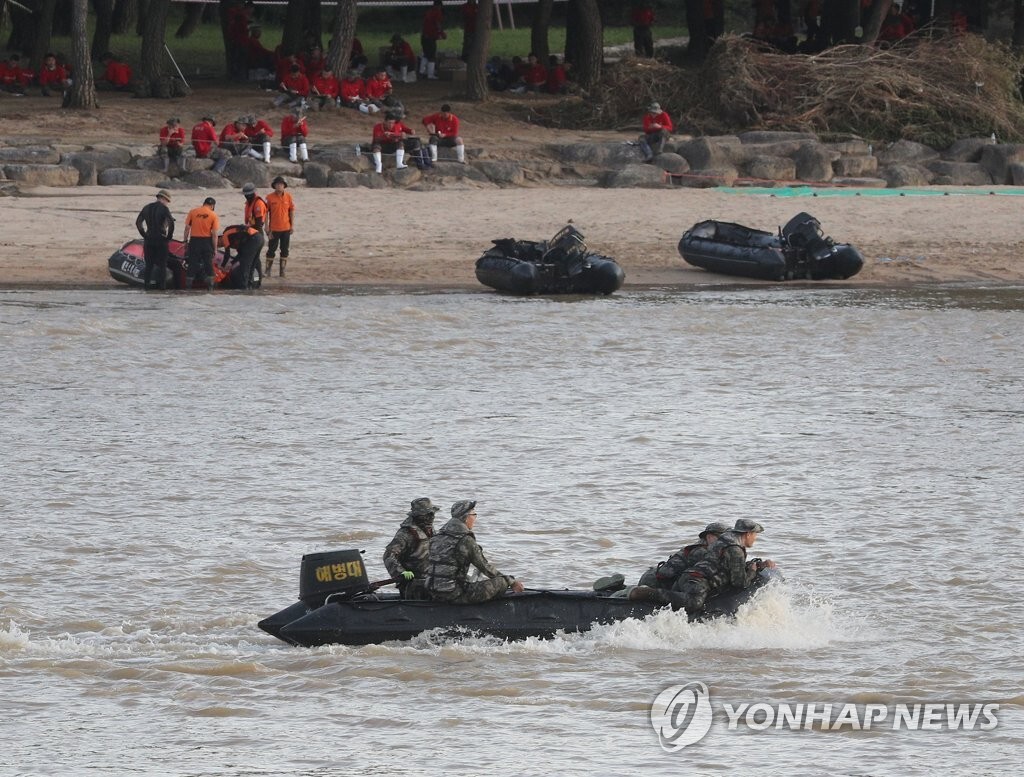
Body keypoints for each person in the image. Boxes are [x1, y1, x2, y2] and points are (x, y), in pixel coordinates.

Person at [671, 518, 778, 616]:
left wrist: (759, 565)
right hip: (696, 580)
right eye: (755, 534)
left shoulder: (725, 542)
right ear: (748, 534)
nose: (755, 538)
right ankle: (654, 593)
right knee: (694, 603)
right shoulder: (734, 550)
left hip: (695, 578)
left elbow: (733, 567)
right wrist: (752, 571)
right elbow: (740, 583)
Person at [425, 500, 525, 604]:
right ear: (466, 517)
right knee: (502, 582)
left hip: (432, 591)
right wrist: (511, 582)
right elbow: (485, 567)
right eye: (474, 514)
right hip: (452, 594)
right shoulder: (465, 539)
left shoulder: (436, 536)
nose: (475, 518)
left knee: (468, 579)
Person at [637, 522, 730, 590]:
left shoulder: (706, 549)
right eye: (722, 538)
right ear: (709, 537)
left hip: (662, 578)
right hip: (653, 581)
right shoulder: (700, 552)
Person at [383, 497, 441, 598]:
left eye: (432, 514)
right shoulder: (405, 534)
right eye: (428, 514)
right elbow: (388, 555)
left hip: (430, 581)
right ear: (417, 516)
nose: (431, 517)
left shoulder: (430, 529)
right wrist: (401, 572)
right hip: (413, 584)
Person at [135, 190, 175, 290]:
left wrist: (144, 235)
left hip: (149, 240)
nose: (167, 203)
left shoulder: (146, 207)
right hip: (161, 239)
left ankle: (146, 288)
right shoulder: (164, 208)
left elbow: (138, 223)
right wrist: (169, 237)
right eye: (167, 201)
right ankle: (162, 289)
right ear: (163, 198)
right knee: (162, 265)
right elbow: (171, 223)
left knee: (149, 265)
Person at [182, 196, 221, 290]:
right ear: (212, 206)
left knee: (192, 264)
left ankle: (188, 287)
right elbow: (215, 234)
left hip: (194, 241)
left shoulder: (193, 212)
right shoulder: (213, 215)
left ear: (204, 203)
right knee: (208, 264)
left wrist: (185, 241)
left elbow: (187, 228)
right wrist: (215, 249)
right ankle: (210, 288)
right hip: (206, 242)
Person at [264, 175, 295, 277]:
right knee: (271, 250)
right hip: (274, 229)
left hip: (286, 228)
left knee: (285, 250)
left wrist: (292, 225)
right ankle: (267, 271)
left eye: (281, 184)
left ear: (284, 186)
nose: (279, 186)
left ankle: (282, 271)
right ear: (274, 186)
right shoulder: (269, 197)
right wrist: (266, 226)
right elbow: (265, 213)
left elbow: (291, 211)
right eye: (277, 184)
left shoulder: (288, 197)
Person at [218, 223, 264, 288]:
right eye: (220, 246)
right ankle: (254, 284)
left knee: (245, 265)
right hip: (259, 238)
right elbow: (241, 254)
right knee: (254, 263)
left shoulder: (225, 235)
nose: (221, 245)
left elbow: (227, 254)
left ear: (220, 237)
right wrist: (232, 263)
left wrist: (222, 266)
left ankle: (244, 287)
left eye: (219, 243)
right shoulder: (236, 237)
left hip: (253, 239)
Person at [420, 0, 446, 80]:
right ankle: (430, 75)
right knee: (431, 56)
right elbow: (438, 23)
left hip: (424, 37)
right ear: (439, 6)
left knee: (426, 54)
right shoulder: (437, 12)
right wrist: (441, 33)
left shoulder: (429, 12)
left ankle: (422, 71)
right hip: (430, 38)